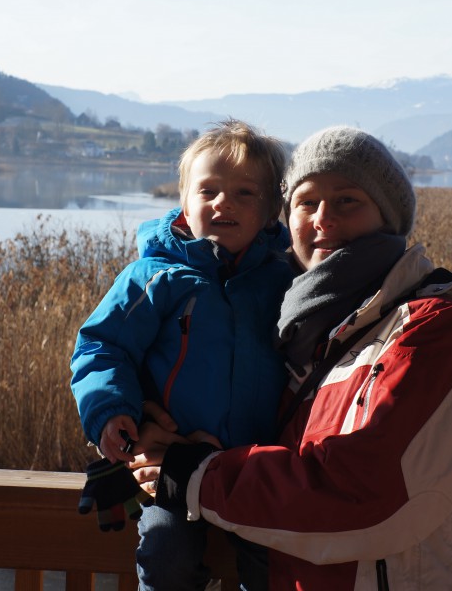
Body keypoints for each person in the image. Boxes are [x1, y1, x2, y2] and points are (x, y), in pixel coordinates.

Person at [137, 126, 452, 590]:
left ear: (388, 217)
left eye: (346, 201)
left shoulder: (432, 329)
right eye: (305, 202)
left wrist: (194, 474)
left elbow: (363, 495)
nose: (322, 218)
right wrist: (142, 421)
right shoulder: (299, 331)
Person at [69, 119, 293, 591]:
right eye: (207, 190)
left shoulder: (285, 282)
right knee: (166, 554)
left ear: (274, 208)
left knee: (278, 560)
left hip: (255, 468)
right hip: (169, 465)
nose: (223, 203)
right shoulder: (155, 275)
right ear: (185, 205)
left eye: (244, 194)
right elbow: (102, 345)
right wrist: (112, 413)